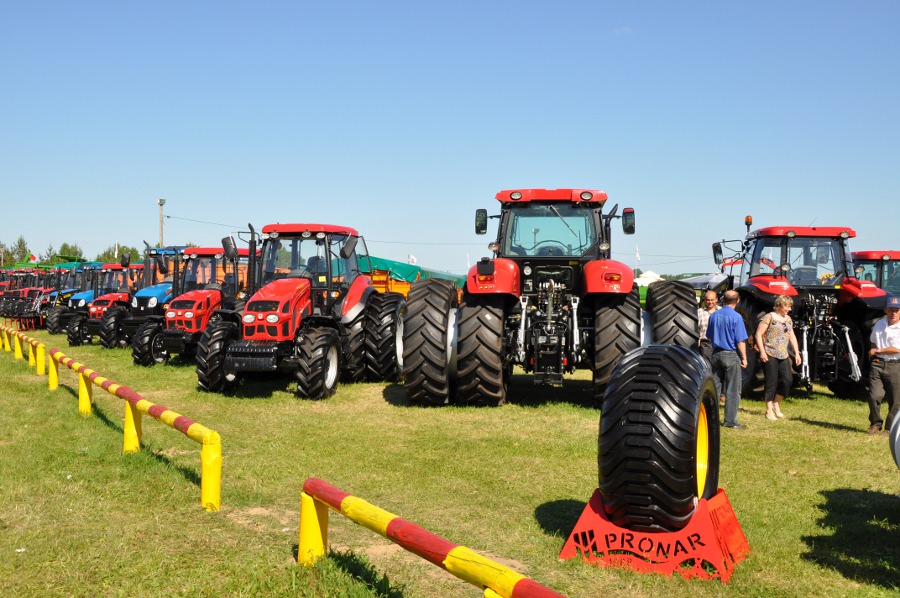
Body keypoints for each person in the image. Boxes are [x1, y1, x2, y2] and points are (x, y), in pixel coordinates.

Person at [754, 295, 801, 420]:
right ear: (779, 305)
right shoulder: (769, 317)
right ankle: (769, 410)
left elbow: (792, 336)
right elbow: (758, 335)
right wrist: (762, 352)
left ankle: (776, 403)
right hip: (769, 353)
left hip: (783, 354)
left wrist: (796, 352)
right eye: (787, 306)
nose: (789, 309)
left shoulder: (788, 319)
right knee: (771, 382)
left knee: (787, 380)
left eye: (790, 307)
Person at [706, 290, 749, 429]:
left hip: (716, 354)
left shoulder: (714, 316)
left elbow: (709, 336)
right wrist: (744, 357)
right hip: (731, 354)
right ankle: (730, 421)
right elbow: (740, 341)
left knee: (715, 389)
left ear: (723, 299)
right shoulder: (736, 317)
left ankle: (711, 419)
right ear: (738, 301)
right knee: (732, 389)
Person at [866, 294, 900, 435]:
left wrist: (877, 350)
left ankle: (890, 428)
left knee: (896, 400)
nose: (894, 313)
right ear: (885, 310)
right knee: (874, 396)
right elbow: (874, 340)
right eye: (891, 309)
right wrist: (873, 349)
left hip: (895, 365)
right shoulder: (880, 323)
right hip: (878, 364)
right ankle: (875, 423)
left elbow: (897, 349)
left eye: (896, 310)